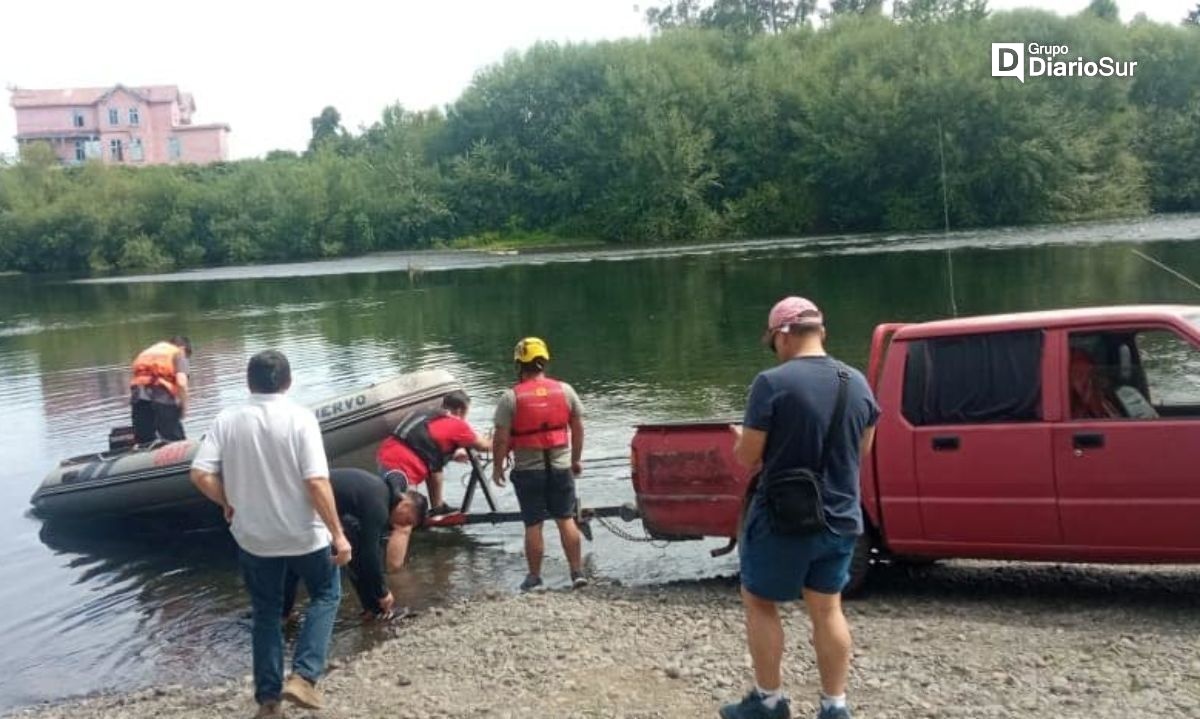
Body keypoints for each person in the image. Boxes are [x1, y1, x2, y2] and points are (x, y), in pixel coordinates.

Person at [720, 297, 880, 719]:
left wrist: (741, 437)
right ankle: (834, 706)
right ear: (821, 332)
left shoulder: (771, 384)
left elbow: (748, 456)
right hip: (842, 516)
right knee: (828, 608)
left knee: (759, 600)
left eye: (772, 341)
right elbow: (862, 449)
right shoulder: (857, 381)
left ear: (783, 335)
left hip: (783, 517)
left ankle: (770, 701)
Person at [189, 350, 352, 718]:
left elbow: (199, 474)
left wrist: (227, 501)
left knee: (265, 612)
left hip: (253, 536)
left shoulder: (227, 419)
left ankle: (268, 700)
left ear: (249, 383)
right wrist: (338, 534)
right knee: (326, 593)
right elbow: (316, 481)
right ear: (288, 382)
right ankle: (305, 677)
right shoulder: (300, 418)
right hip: (303, 534)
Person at [491, 337, 587, 591]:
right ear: (544, 361)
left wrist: (497, 467)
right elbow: (578, 429)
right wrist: (575, 459)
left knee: (533, 523)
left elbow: (501, 438)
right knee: (565, 518)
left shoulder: (510, 397)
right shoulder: (565, 390)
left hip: (528, 471)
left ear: (519, 364)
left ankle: (534, 577)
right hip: (560, 468)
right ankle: (576, 572)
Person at [284, 467, 429, 621]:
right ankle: (376, 606)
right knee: (300, 562)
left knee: (353, 544)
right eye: (407, 521)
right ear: (405, 506)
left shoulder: (384, 492)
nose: (402, 526)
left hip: (303, 498)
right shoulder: (379, 507)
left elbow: (396, 476)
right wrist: (383, 591)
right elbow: (370, 554)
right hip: (305, 503)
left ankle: (373, 608)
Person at [376, 390, 491, 517]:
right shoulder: (456, 424)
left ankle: (438, 507)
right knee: (405, 516)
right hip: (404, 467)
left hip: (386, 453)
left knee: (436, 466)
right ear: (460, 411)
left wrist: (452, 455)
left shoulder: (426, 413)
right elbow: (484, 446)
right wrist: (506, 440)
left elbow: (423, 442)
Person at [129, 336, 192, 444]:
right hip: (162, 399)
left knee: (144, 442)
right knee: (175, 441)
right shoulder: (178, 353)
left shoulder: (146, 353)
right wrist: (184, 408)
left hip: (139, 399)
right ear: (183, 348)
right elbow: (181, 383)